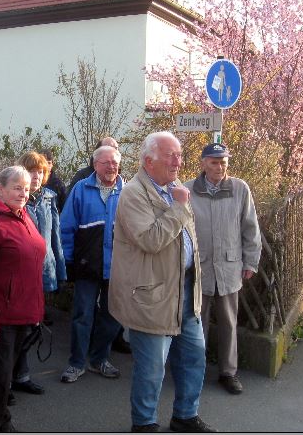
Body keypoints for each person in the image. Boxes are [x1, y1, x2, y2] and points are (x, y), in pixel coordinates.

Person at [108, 131, 215, 433]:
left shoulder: (175, 187)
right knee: (152, 368)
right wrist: (180, 208)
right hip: (151, 295)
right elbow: (151, 240)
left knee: (193, 359)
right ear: (148, 161)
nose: (177, 161)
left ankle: (185, 416)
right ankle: (144, 424)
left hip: (186, 291)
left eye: (179, 155)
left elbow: (188, 237)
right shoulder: (133, 194)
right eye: (170, 155)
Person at [184, 143, 261, 395]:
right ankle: (195, 369)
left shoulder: (239, 188)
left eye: (224, 161)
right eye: (215, 162)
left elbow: (250, 228)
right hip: (198, 268)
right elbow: (180, 229)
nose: (220, 166)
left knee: (229, 322)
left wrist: (250, 261)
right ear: (203, 162)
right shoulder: (187, 190)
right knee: (197, 323)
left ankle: (229, 372)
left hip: (229, 268)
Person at [0, 166, 46, 432]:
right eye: (16, 187)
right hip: (2, 315)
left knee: (6, 377)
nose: (23, 193)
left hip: (24, 310)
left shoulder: (23, 215)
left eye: (26, 188)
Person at [59, 145, 124, 384]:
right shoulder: (80, 189)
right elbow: (66, 227)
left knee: (113, 316)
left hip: (117, 268)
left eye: (114, 162)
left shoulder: (127, 192)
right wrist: (67, 261)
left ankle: (99, 359)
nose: (111, 167)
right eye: (105, 162)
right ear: (95, 165)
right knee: (82, 315)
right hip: (87, 265)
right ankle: (76, 363)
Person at [11, 151, 66, 396]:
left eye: (40, 172)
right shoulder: (15, 199)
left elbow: (55, 236)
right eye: (31, 171)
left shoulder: (49, 197)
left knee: (34, 327)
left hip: (44, 270)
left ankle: (20, 376)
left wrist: (60, 270)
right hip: (20, 274)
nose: (36, 176)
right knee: (17, 330)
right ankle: (7, 380)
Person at [39, 148, 67, 213]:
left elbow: (65, 208)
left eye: (49, 163)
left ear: (52, 164)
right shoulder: (30, 181)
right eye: (44, 163)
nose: (47, 166)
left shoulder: (58, 184)